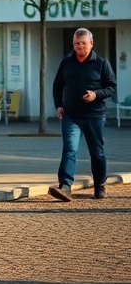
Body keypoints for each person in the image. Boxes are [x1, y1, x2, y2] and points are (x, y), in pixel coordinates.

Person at [48, 28, 116, 201]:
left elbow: (111, 87)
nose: (79, 47)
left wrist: (96, 95)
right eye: (76, 44)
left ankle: (99, 184)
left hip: (94, 115)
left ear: (91, 43)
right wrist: (59, 106)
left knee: (97, 152)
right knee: (69, 150)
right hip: (71, 115)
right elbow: (57, 87)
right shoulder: (66, 63)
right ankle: (65, 186)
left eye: (83, 43)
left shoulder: (100, 63)